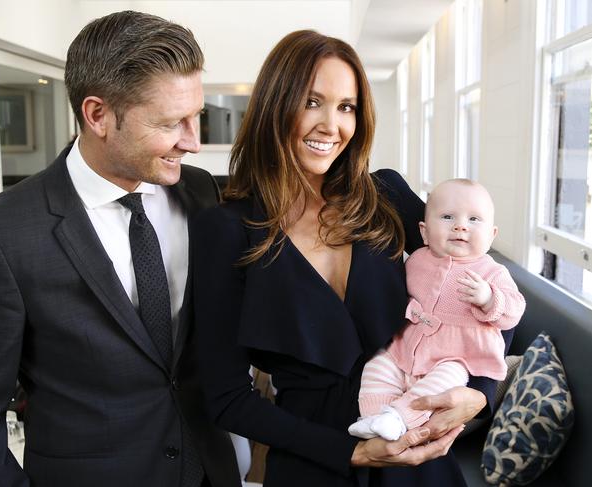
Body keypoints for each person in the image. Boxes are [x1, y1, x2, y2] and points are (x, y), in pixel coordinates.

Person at [192, 30, 514, 487]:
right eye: (311, 101)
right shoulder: (226, 229)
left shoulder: (383, 196)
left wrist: (479, 393)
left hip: (417, 450)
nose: (332, 125)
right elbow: (226, 398)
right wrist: (353, 453)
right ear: (274, 104)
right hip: (316, 462)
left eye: (347, 107)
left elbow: (490, 286)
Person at [0, 11, 240, 487]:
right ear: (98, 115)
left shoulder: (200, 191)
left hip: (208, 471)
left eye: (196, 117)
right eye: (171, 123)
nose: (194, 142)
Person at [348, 179, 525, 441]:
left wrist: (490, 299)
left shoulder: (492, 272)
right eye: (447, 216)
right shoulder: (418, 260)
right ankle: (373, 417)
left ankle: (398, 418)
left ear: (492, 235)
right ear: (424, 232)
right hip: (407, 348)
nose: (460, 225)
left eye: (474, 220)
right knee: (378, 366)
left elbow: (515, 310)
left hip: (457, 357)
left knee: (446, 380)